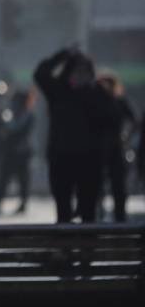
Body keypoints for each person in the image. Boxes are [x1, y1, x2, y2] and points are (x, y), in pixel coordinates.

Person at [33, 47, 116, 224]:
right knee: (63, 212)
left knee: (88, 213)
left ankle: (87, 249)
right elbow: (40, 74)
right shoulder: (58, 92)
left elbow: (111, 122)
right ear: (69, 72)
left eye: (84, 71)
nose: (80, 75)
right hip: (61, 158)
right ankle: (66, 250)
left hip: (90, 160)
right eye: (76, 70)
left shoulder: (98, 94)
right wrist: (62, 55)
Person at [96, 72, 137, 222]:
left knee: (118, 186)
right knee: (99, 185)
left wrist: (125, 136)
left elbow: (133, 121)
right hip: (100, 149)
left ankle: (119, 216)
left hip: (115, 149)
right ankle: (100, 213)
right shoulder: (98, 103)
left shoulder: (119, 101)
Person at [0, 89, 36, 215]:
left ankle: (22, 204)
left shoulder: (28, 116)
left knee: (22, 180)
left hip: (21, 152)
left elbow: (20, 132)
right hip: (9, 152)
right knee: (2, 179)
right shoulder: (9, 114)